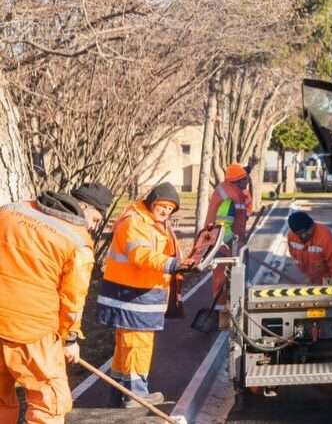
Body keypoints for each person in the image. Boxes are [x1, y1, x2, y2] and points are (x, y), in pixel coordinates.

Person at [0, 183, 112, 424]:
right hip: (33, 332)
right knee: (49, 403)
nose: (93, 226)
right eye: (95, 218)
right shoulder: (77, 241)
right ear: (83, 207)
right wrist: (69, 339)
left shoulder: (10, 210)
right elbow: (73, 300)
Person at [93, 182, 186, 408]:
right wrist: (173, 264)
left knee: (126, 344)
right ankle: (136, 394)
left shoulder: (150, 221)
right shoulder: (135, 221)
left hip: (135, 294)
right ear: (151, 202)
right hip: (133, 296)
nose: (165, 211)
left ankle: (120, 391)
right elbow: (141, 254)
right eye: (162, 206)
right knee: (138, 344)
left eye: (170, 209)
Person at [204, 162, 253, 308]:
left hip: (228, 243)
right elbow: (222, 225)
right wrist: (234, 241)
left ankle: (231, 308)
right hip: (224, 245)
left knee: (233, 277)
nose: (247, 181)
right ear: (237, 180)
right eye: (245, 179)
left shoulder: (234, 193)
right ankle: (222, 313)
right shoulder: (229, 197)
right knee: (223, 278)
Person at [286, 211, 332, 285]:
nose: (304, 235)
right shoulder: (292, 237)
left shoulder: (326, 238)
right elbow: (298, 259)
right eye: (299, 233)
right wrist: (308, 275)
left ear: (312, 225)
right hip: (320, 276)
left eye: (307, 231)